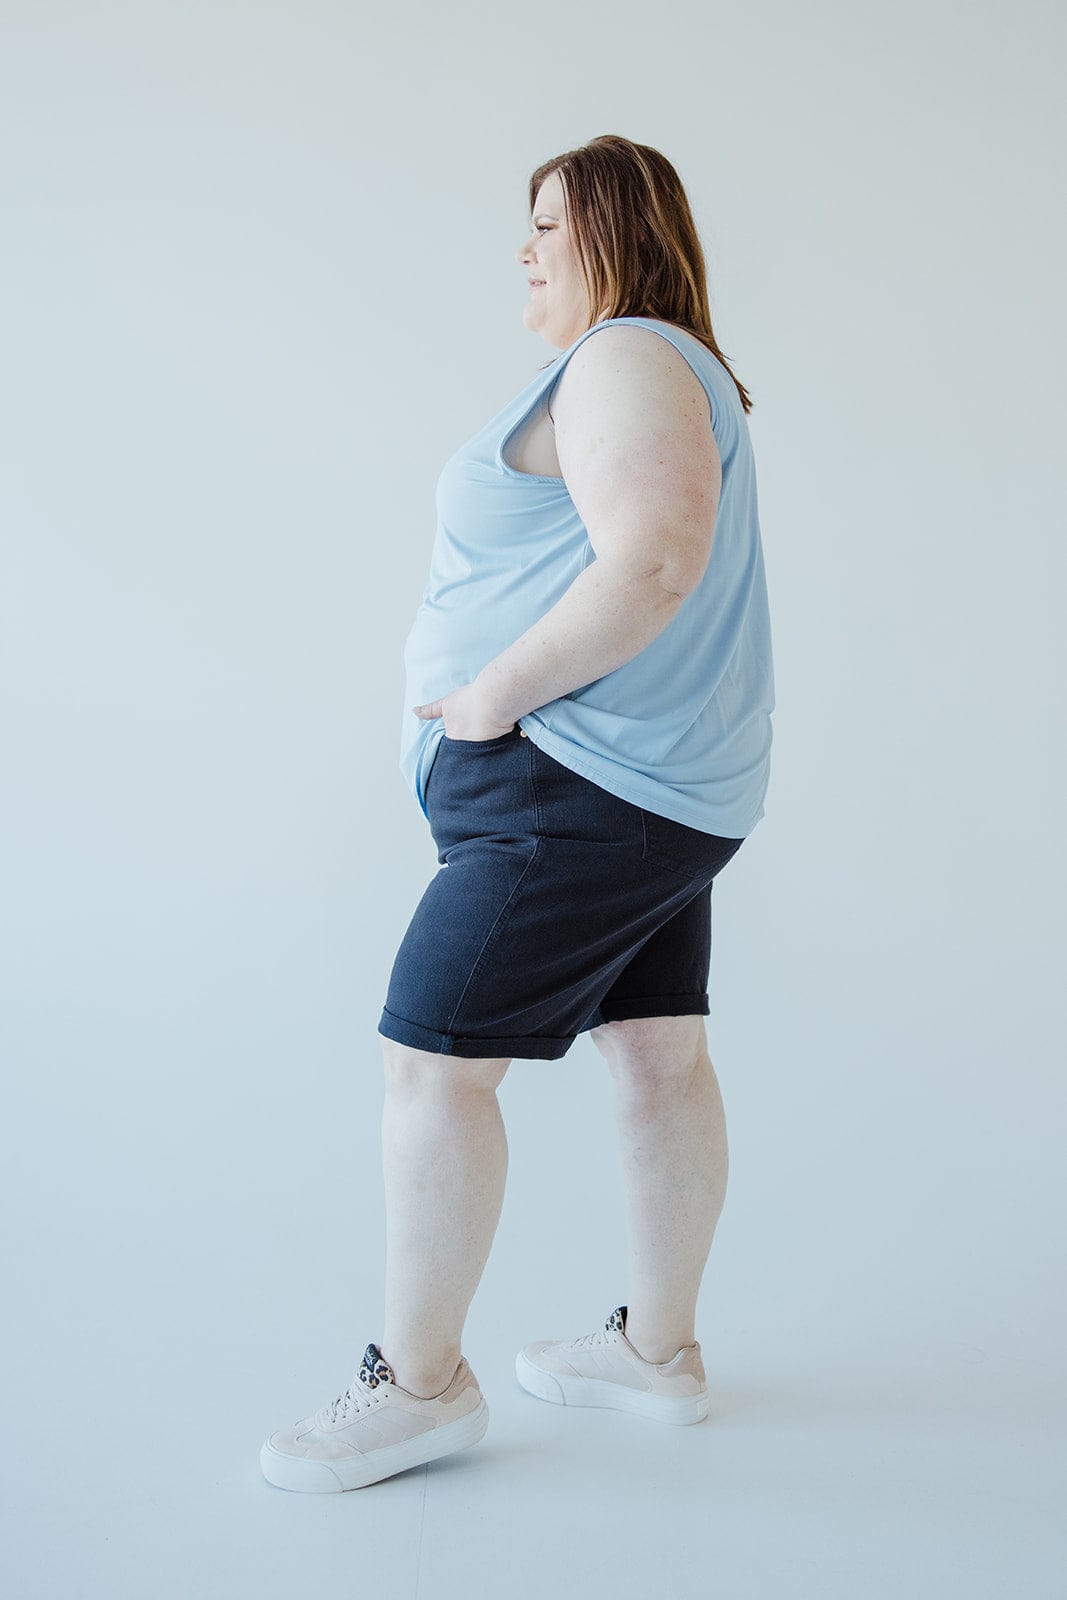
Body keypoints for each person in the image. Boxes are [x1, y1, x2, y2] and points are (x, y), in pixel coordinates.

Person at [260, 134, 775, 1493]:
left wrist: (488, 696)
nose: (527, 247)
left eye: (553, 220)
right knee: (657, 1053)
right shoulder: (672, 366)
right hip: (656, 795)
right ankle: (656, 1353)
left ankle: (418, 1385)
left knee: (428, 1068)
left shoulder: (624, 354)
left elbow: (657, 555)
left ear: (619, 228)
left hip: (572, 789)